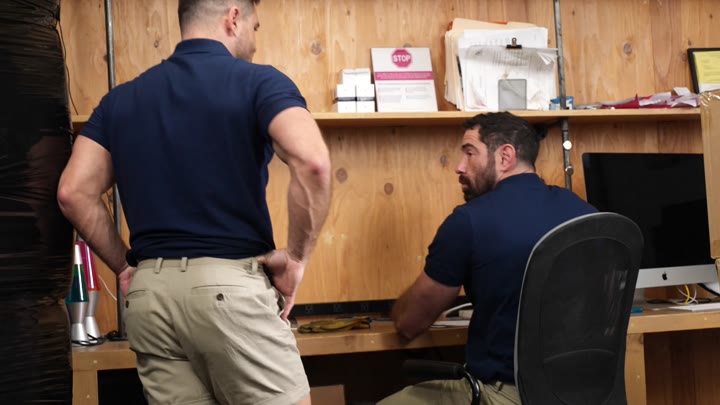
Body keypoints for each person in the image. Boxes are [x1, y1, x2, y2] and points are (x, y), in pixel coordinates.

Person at [57, 0, 331, 404]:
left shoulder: (120, 100)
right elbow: (313, 163)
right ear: (233, 18)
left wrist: (125, 267)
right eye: (255, 28)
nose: (255, 42)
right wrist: (296, 259)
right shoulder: (260, 82)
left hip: (150, 299)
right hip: (229, 292)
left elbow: (73, 192)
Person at [378, 112, 596, 405]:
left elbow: (409, 323)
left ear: (505, 156)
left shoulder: (468, 221)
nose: (459, 167)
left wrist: (401, 309)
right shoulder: (586, 213)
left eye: (470, 153)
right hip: (587, 393)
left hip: (507, 394)